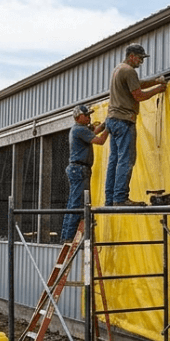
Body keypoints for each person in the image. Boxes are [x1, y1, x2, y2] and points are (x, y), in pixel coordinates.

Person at [104, 44, 167, 206]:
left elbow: (137, 84)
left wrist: (154, 81)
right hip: (124, 120)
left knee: (114, 160)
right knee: (126, 159)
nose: (141, 62)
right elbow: (138, 95)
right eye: (140, 58)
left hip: (113, 119)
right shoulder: (129, 71)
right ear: (131, 56)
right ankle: (120, 197)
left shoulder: (119, 69)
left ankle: (110, 198)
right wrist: (159, 89)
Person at [61, 103, 107, 241]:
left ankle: (67, 235)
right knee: (76, 203)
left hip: (78, 169)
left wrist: (104, 125)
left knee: (74, 202)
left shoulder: (79, 129)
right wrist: (109, 127)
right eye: (86, 115)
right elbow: (99, 140)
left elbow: (94, 132)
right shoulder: (79, 129)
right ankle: (68, 237)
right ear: (79, 116)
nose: (89, 117)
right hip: (79, 169)